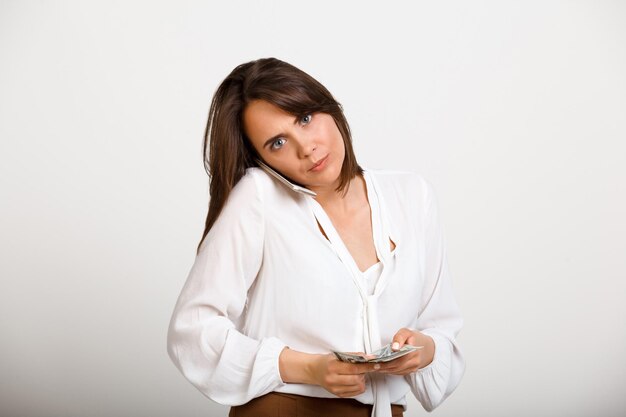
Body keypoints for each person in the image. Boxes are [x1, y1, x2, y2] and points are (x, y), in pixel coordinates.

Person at [167, 57, 464, 417]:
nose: (306, 148)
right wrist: (309, 368)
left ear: (327, 106)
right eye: (277, 143)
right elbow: (192, 331)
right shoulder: (259, 196)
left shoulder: (412, 196)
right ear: (263, 159)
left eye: (305, 118)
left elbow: (440, 325)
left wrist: (424, 350)